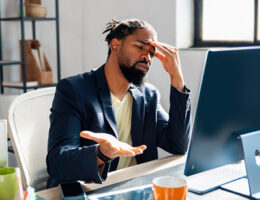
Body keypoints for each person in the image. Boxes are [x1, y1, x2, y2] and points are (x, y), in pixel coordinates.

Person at [46, 18, 192, 188]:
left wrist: (177, 79)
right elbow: (57, 162)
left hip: (136, 187)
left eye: (152, 53)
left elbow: (178, 144)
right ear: (115, 45)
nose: (147, 57)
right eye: (139, 47)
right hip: (92, 190)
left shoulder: (148, 95)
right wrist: (102, 154)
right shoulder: (73, 90)